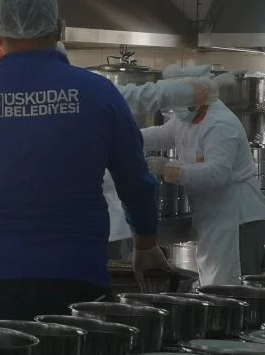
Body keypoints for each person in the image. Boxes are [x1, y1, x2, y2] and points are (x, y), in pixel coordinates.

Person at [0, 0, 168, 323]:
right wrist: (145, 244)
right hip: (78, 272)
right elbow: (134, 179)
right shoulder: (97, 93)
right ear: (59, 28)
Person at [56, 44, 220, 260]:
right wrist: (188, 90)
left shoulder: (22, 97)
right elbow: (139, 97)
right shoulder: (86, 90)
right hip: (101, 224)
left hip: (71, 228)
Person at [141, 73, 265, 286]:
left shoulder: (220, 124)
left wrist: (167, 168)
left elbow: (216, 175)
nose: (176, 110)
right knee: (214, 286)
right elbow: (161, 134)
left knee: (233, 289)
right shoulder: (187, 117)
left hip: (235, 222)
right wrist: (124, 134)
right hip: (213, 220)